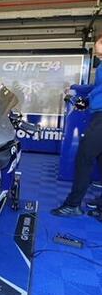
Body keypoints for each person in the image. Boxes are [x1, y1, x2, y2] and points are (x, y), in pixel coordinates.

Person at [51, 34, 102, 219]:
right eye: (97, 54)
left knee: (84, 157)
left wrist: (87, 99)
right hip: (97, 114)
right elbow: (98, 88)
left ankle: (73, 205)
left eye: (101, 54)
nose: (99, 57)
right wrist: (81, 94)